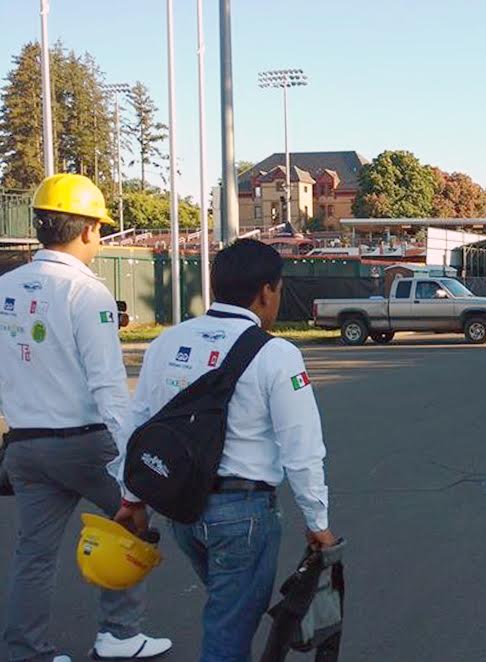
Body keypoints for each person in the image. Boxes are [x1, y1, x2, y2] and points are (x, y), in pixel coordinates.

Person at [122, 239, 335, 662]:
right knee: (229, 626)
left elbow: (139, 426)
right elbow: (302, 448)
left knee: (227, 609)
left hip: (182, 509)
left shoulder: (167, 342)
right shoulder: (277, 354)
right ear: (266, 292)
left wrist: (131, 498)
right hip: (243, 515)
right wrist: (318, 522)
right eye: (277, 290)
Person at [0, 174, 171, 662]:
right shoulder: (87, 292)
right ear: (89, 230)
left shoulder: (5, 286)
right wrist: (132, 467)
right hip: (85, 441)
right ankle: (119, 634)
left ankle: (23, 651)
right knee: (133, 521)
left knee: (32, 554)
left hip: (26, 447)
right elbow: (108, 387)